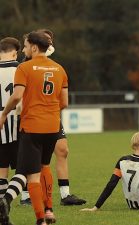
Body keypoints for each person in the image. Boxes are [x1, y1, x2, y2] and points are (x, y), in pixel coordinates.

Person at [0, 31, 69, 225]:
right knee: (44, 165)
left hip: (32, 126)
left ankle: (41, 219)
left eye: (25, 45)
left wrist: (5, 114)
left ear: (34, 47)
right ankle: (49, 211)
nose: (24, 49)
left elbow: (16, 96)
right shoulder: (59, 69)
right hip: (53, 126)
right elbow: (64, 102)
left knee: (32, 175)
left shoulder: (25, 67)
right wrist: (49, 110)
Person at [18, 28, 86, 206]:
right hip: (32, 117)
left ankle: (65, 195)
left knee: (62, 150)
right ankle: (27, 195)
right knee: (35, 158)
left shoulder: (54, 67)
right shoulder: (26, 64)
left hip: (52, 115)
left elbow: (62, 98)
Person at [0, 37, 28, 225]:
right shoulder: (21, 69)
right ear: (14, 52)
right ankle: (18, 198)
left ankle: (1, 208)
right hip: (17, 123)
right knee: (25, 168)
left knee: (1, 171)